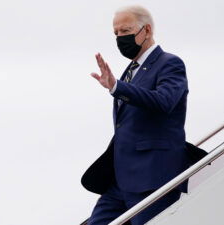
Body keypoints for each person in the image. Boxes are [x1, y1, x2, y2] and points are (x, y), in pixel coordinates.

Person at [81, 5, 207, 225]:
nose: (120, 38)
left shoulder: (170, 64)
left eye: (126, 31)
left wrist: (116, 87)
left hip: (152, 177)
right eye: (116, 33)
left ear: (146, 30)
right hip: (120, 180)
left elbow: (164, 101)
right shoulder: (130, 71)